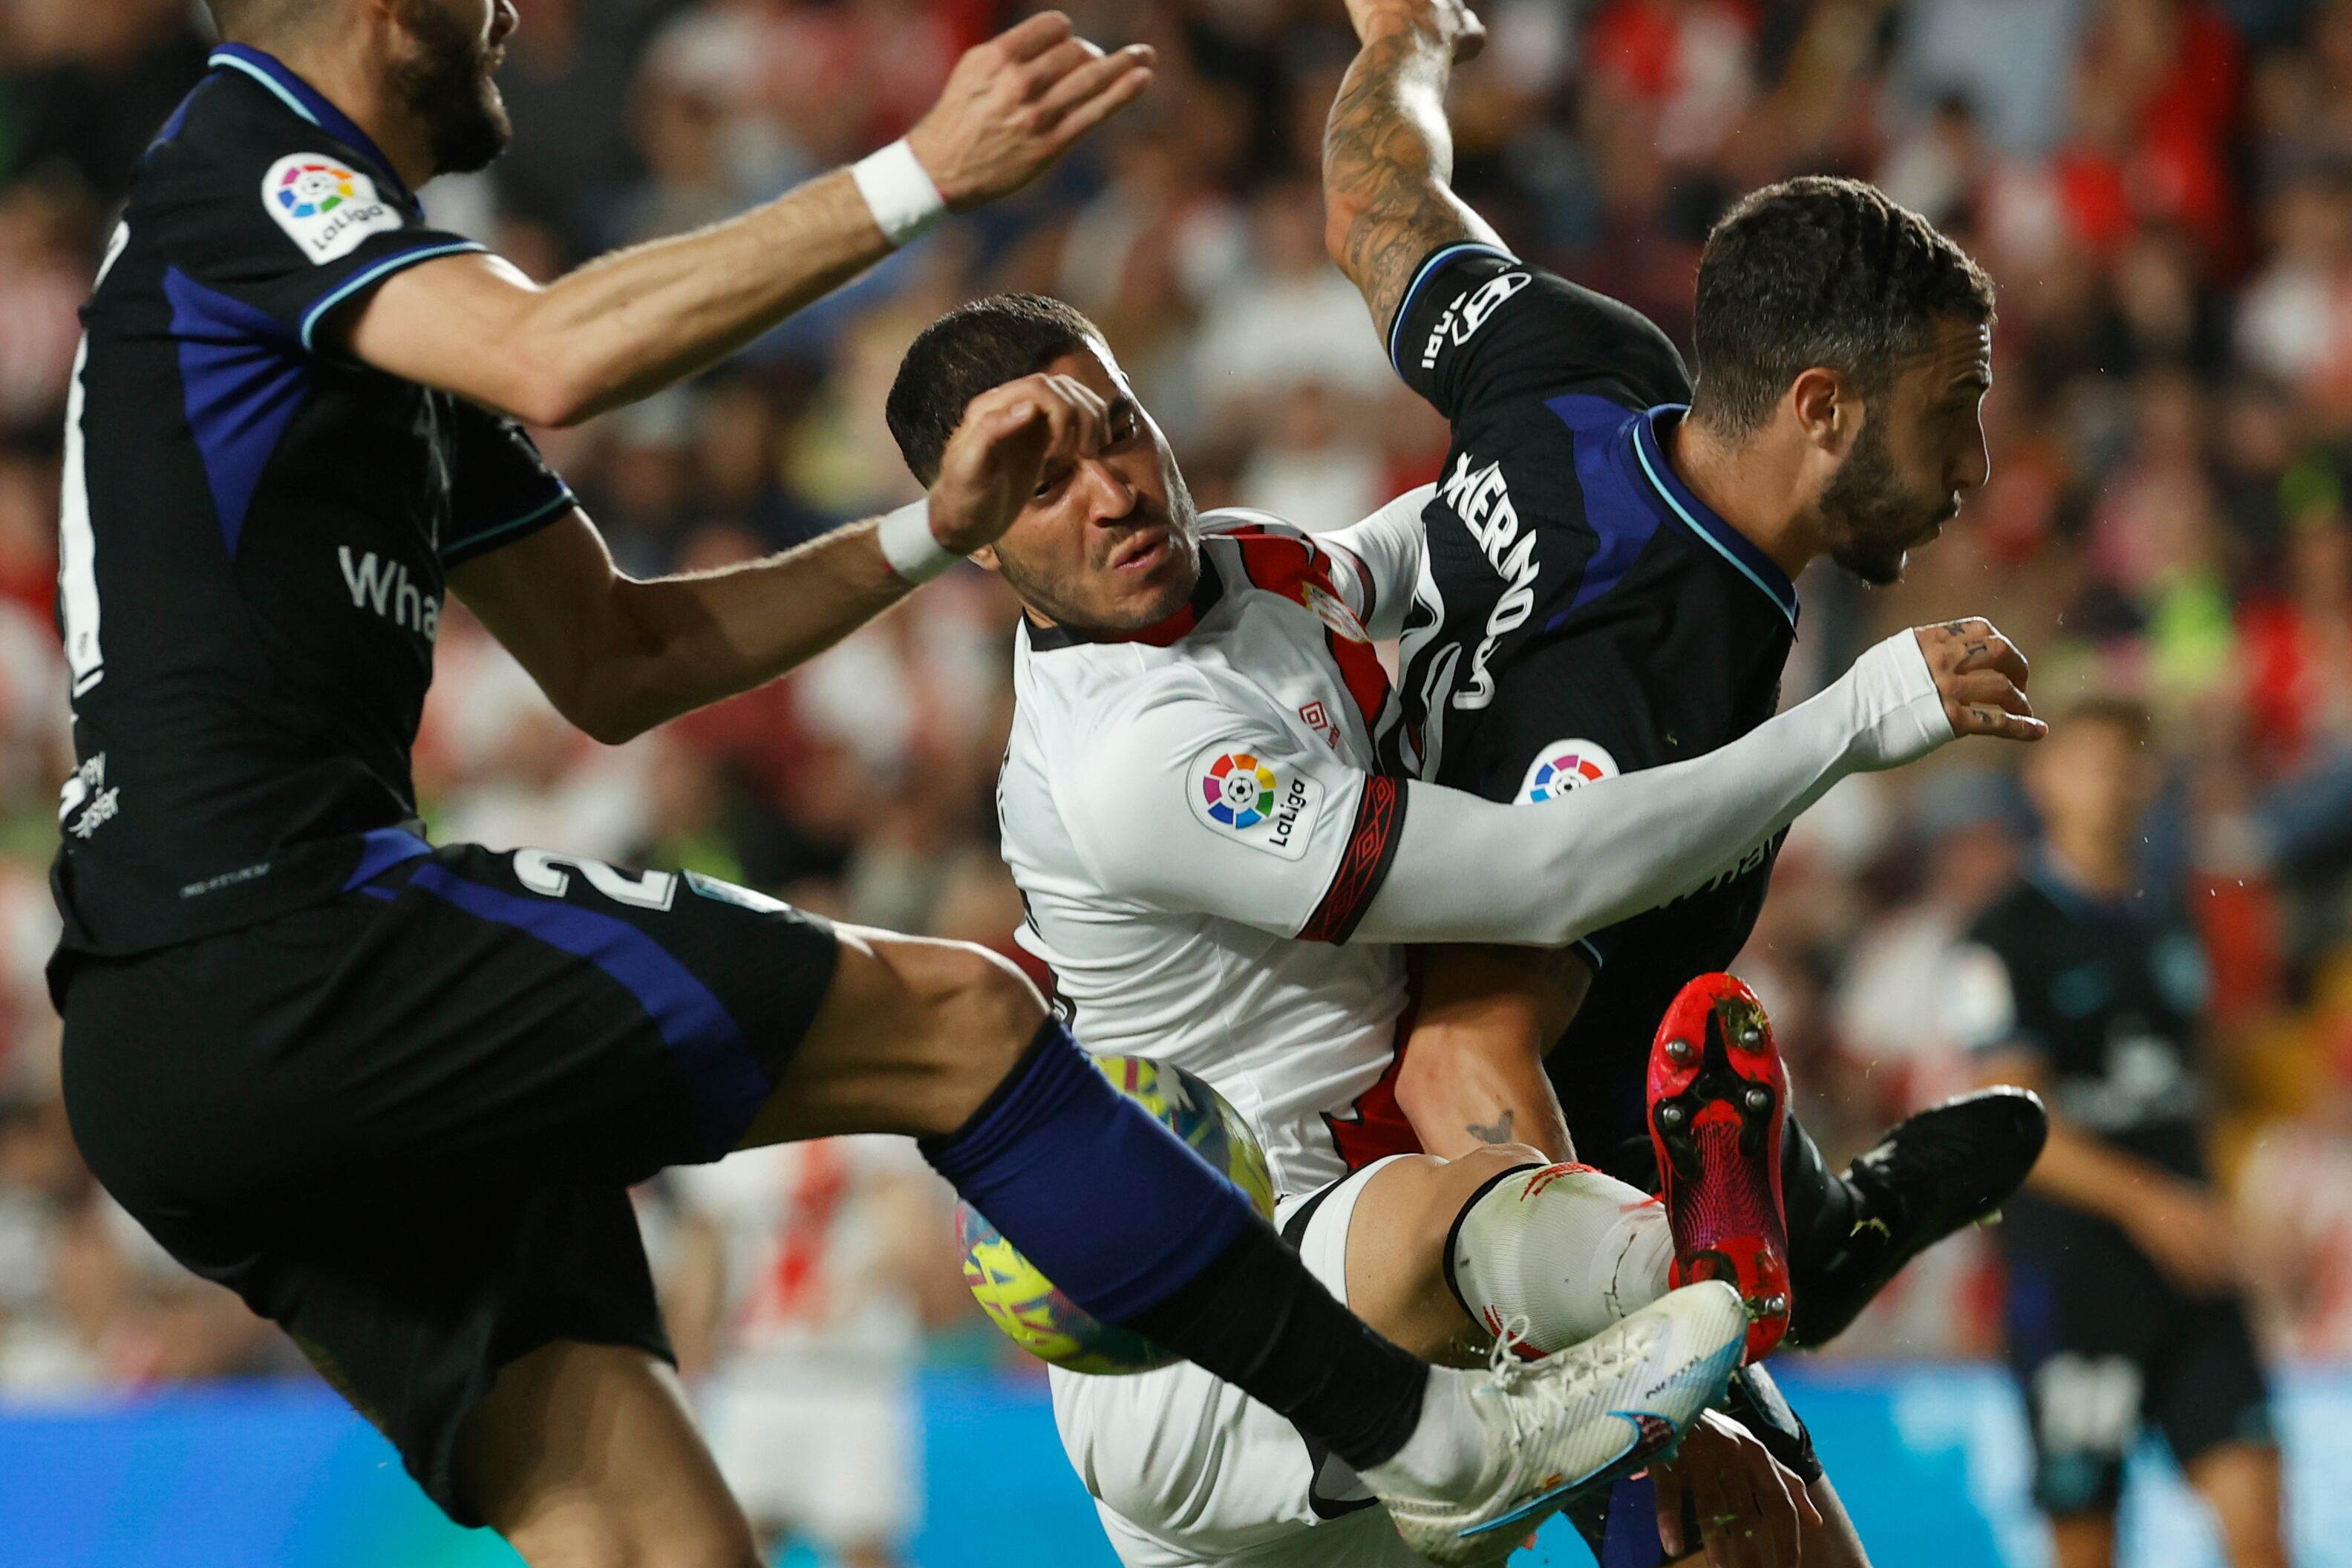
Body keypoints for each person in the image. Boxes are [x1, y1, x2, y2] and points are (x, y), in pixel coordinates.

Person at [45, 4, 1704, 1564]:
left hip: (182, 1043)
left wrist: (931, 536)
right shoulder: (251, 157)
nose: (511, 18)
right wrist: (923, 174)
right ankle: (1418, 1434)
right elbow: (558, 354)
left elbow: (619, 659)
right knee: (973, 1027)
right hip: (282, 932)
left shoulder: (366, 330)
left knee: (659, 1539)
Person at [883, 292, 2044, 1567]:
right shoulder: (1136, 759)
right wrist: (1853, 717)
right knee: (1457, 1229)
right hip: (1216, 1348)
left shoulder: (1236, 569)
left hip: (1435, 1293)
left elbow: (1416, 547)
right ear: (976, 539)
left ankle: (1711, 1282)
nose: (1111, 487)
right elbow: (1542, 875)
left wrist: (1591, 456)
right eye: (1045, 484)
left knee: (1784, 1548)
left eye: (1116, 430)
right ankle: (1708, 1270)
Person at [1319, 1, 2051, 1558]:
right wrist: (1637, 1420)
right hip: (1452, 1180)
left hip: (1556, 1057)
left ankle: (1813, 1233)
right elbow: (1463, 1060)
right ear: (1821, 409)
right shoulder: (1651, 674)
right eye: (1955, 412)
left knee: (1675, 976)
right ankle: (1796, 1248)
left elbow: (1376, 204)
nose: (1975, 469)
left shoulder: (1581, 367)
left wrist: (1404, 45)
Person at [1953, 699, 2287, 1568]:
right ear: (2045, 780)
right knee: (2088, 1545)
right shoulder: (2004, 939)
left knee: (2261, 1527)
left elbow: (2197, 1087)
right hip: (2076, 1280)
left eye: (2125, 764)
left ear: (2150, 781)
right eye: (2090, 763)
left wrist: (2240, 1204)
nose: (2110, 784)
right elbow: (2014, 1128)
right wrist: (2152, 1204)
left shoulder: (2174, 922)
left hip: (2194, 1275)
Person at [664, 1137, 947, 1568]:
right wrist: (687, 1363)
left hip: (856, 1377)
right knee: (733, 1542)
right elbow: (706, 1256)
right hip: (754, 1373)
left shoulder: (874, 1132)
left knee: (864, 1547)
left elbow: (911, 1238)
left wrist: (858, 1283)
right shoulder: (728, 1135)